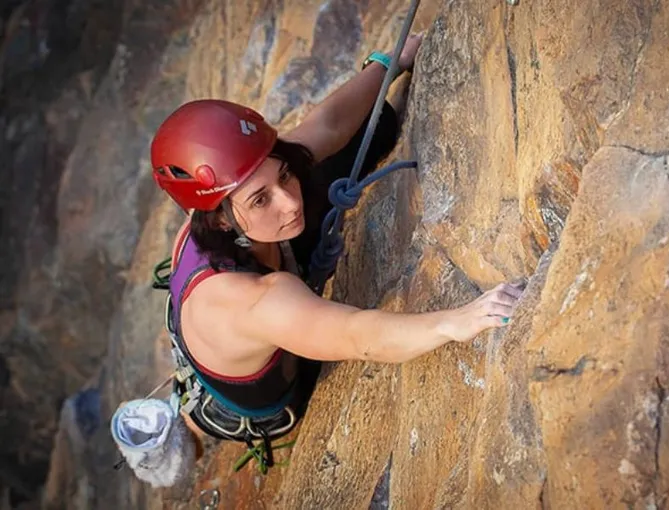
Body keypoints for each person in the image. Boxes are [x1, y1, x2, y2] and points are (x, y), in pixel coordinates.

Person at [149, 34, 524, 451]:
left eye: (282, 177)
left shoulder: (233, 193)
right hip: (273, 388)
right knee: (320, 181)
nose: (289, 201)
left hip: (262, 274)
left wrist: (389, 62)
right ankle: (194, 434)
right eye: (261, 199)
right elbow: (355, 335)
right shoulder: (256, 301)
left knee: (356, 139)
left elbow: (326, 126)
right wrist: (456, 321)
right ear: (218, 219)